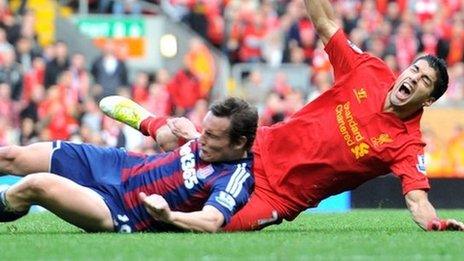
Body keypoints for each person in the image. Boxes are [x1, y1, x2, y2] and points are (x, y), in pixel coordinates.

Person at [102, 0, 464, 232]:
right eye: (414, 71)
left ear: (427, 100)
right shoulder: (369, 70)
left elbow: (417, 198)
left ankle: (124, 201)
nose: (413, 79)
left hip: (279, 197)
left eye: (423, 82)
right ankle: (153, 126)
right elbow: (326, 24)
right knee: (187, 152)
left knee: (205, 226)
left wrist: (434, 223)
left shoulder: (407, 143)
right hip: (258, 147)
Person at [0, 97, 258, 233]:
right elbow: (174, 141)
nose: (203, 138)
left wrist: (169, 216)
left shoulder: (235, 178)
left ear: (239, 143)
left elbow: (211, 221)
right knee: (11, 155)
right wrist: (179, 132)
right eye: (204, 130)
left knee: (35, 185)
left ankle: (7, 203)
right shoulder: (203, 141)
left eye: (212, 136)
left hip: (120, 210)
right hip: (117, 164)